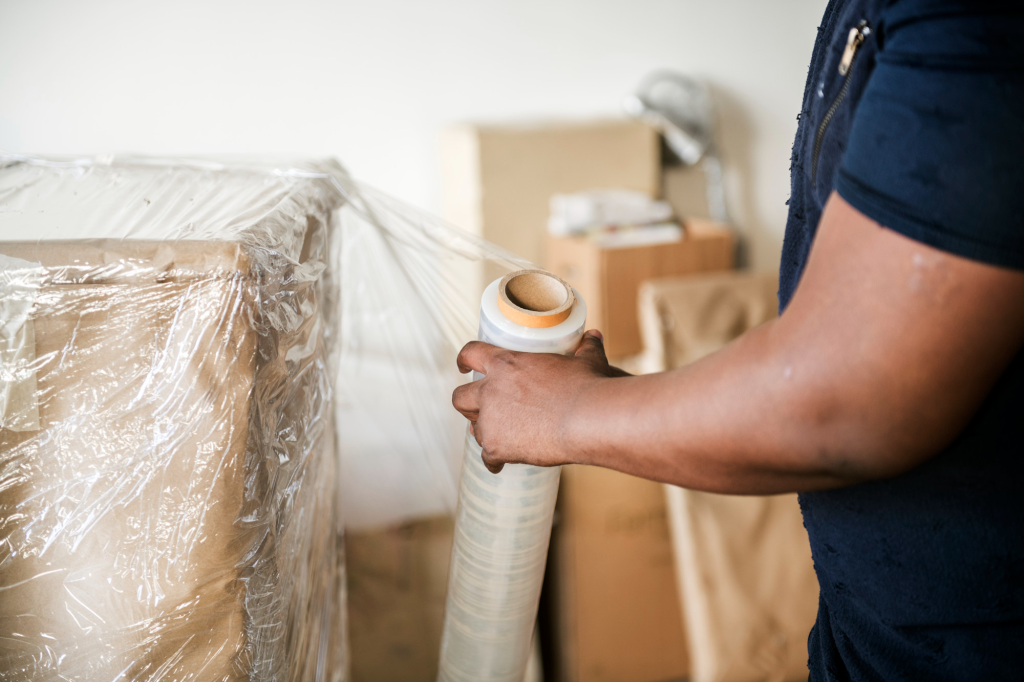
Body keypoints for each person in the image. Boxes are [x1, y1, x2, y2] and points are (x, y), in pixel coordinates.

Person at [451, 1, 1024, 679]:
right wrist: (603, 401)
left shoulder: (973, 25)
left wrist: (570, 414)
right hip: (872, 631)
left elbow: (846, 397)